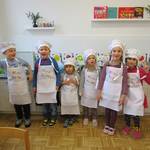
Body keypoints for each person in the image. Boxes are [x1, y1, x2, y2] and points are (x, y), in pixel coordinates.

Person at [97, 40, 128, 135]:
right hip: (107, 91)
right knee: (107, 109)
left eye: (119, 51)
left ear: (122, 53)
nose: (116, 53)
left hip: (117, 92)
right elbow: (101, 79)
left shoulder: (123, 66)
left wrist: (123, 95)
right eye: (114, 51)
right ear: (111, 52)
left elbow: (125, 82)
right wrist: (99, 91)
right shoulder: (107, 64)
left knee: (114, 110)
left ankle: (112, 126)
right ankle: (107, 124)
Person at [0, 42, 32, 128]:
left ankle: (27, 118)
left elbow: (28, 65)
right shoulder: (3, 63)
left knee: (25, 104)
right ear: (4, 53)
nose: (13, 52)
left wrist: (30, 74)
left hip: (22, 86)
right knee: (16, 104)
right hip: (13, 87)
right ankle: (19, 118)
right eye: (10, 51)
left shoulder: (19, 60)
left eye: (14, 50)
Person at [122, 48, 150, 139]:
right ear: (126, 60)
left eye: (134, 59)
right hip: (127, 94)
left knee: (136, 114)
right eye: (129, 58)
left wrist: (147, 72)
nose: (131, 61)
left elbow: (149, 81)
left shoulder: (140, 71)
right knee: (127, 112)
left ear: (137, 61)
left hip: (137, 95)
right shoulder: (124, 70)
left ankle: (137, 128)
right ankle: (127, 125)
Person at [33, 41, 61, 126]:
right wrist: (34, 86)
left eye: (46, 49)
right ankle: (45, 117)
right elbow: (35, 75)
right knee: (44, 105)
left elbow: (58, 73)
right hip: (41, 87)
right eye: (41, 49)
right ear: (39, 52)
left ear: (49, 51)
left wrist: (57, 84)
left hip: (52, 87)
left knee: (52, 105)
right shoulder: (37, 62)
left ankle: (53, 118)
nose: (43, 51)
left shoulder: (53, 61)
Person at [79, 49, 100, 127]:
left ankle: (94, 118)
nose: (92, 60)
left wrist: (100, 91)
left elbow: (100, 81)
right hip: (86, 90)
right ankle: (86, 117)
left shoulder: (98, 70)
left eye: (93, 58)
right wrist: (80, 90)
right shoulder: (84, 70)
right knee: (86, 105)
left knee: (94, 106)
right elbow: (82, 81)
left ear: (95, 60)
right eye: (89, 58)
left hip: (95, 91)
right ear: (86, 60)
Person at [61, 58, 80, 128]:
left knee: (73, 106)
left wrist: (74, 81)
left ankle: (72, 118)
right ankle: (66, 118)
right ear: (64, 68)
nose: (68, 68)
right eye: (67, 67)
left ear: (73, 67)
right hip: (65, 95)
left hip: (73, 94)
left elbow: (78, 84)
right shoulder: (62, 75)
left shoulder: (76, 75)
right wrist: (64, 82)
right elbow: (60, 84)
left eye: (70, 66)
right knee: (66, 106)